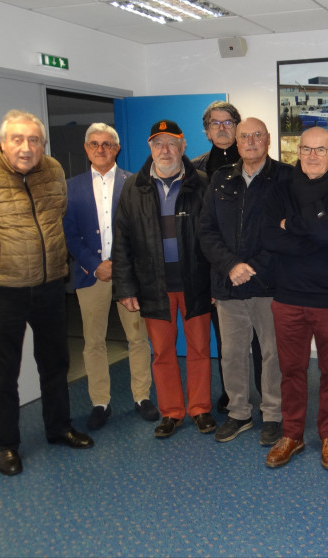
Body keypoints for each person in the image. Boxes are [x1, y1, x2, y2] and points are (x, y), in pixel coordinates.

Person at [0, 110, 94, 476]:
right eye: (17, 139)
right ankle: (7, 445)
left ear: (42, 144)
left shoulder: (52, 171)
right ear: (3, 142)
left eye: (34, 140)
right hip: (0, 291)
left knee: (55, 363)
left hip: (49, 285)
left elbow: (57, 214)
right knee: (3, 372)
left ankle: (59, 427)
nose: (26, 147)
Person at [261, 126, 328, 470]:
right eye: (306, 150)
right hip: (288, 297)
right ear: (297, 152)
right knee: (291, 371)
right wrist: (317, 230)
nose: (312, 156)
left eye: (320, 150)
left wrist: (294, 226)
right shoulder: (278, 193)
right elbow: (270, 238)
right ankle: (292, 434)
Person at [112, 119, 215, 439]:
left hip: (195, 282)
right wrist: (125, 287)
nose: (165, 150)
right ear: (150, 148)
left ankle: (199, 409)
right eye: (158, 143)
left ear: (183, 146)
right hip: (153, 285)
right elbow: (122, 239)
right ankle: (172, 412)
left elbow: (215, 236)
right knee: (162, 353)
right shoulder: (134, 187)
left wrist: (215, 283)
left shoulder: (201, 182)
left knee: (199, 349)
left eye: (171, 143)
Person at [199, 118, 291, 447]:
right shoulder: (221, 179)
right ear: (236, 143)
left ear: (267, 139)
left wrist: (252, 266)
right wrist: (231, 266)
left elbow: (288, 231)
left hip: (269, 284)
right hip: (229, 286)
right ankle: (238, 412)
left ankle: (273, 414)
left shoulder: (285, 178)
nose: (250, 141)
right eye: (244, 137)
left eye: (256, 135)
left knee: (272, 354)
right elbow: (206, 231)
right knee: (232, 353)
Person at [63, 123, 158, 430]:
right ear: (86, 148)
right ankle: (100, 401)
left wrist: (121, 265)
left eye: (107, 144)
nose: (100, 149)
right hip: (91, 276)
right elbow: (69, 233)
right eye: (94, 144)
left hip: (129, 276)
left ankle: (142, 396)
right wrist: (95, 264)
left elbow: (144, 232)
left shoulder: (137, 183)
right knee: (93, 341)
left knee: (137, 337)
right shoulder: (70, 187)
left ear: (117, 149)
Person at [192, 100, 263, 414]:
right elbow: (200, 227)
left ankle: (265, 390)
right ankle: (232, 394)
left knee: (263, 343)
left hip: (258, 269)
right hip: (215, 269)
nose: (222, 128)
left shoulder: (255, 162)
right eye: (215, 123)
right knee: (227, 342)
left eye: (228, 123)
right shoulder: (192, 170)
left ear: (238, 129)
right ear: (207, 131)